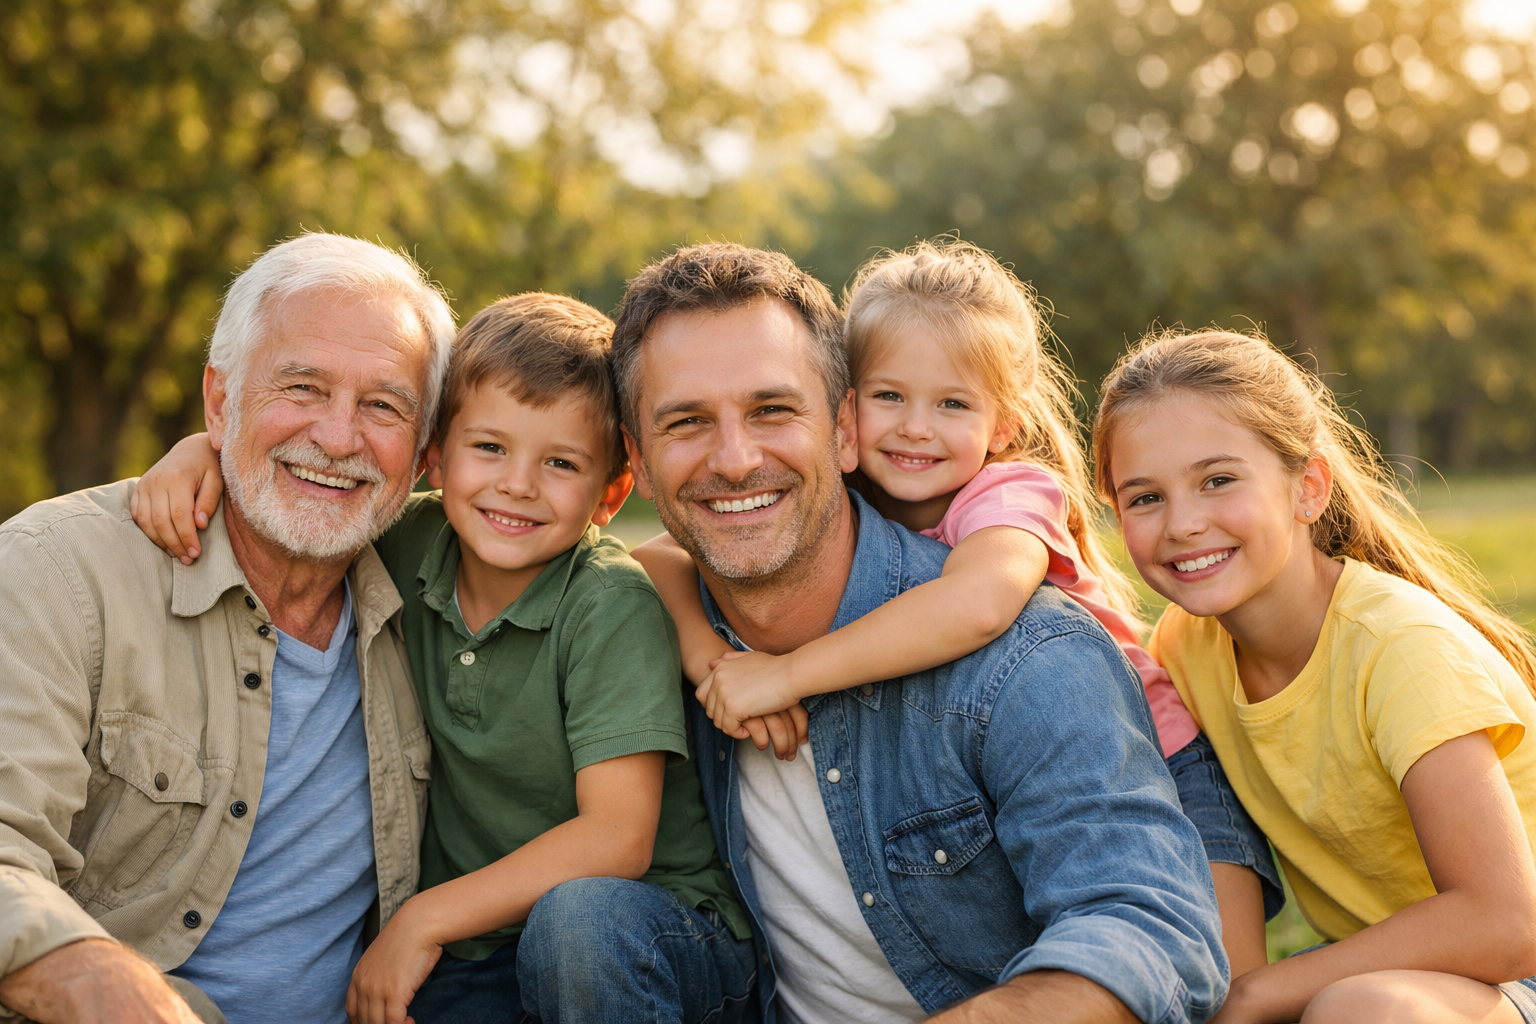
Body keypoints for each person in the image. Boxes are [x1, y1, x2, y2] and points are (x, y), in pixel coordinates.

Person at [609, 241, 1227, 1023]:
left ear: (839, 431)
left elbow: (1149, 928)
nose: (736, 460)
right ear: (636, 456)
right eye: (687, 421)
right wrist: (707, 660)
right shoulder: (637, 627)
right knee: (587, 927)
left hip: (1168, 753)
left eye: (772, 410)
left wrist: (787, 675)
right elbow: (644, 564)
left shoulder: (1022, 636)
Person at [132, 293, 792, 1024]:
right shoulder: (409, 542)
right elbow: (299, 482)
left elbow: (619, 839)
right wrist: (200, 453)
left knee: (574, 928)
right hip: (481, 944)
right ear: (434, 457)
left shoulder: (608, 607)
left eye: (561, 463)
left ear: (611, 493)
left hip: (648, 935)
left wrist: (421, 918)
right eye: (490, 448)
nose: (518, 484)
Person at [0, 232, 454, 1024]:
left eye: (383, 405)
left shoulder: (442, 589)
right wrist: (117, 995)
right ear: (219, 401)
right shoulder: (57, 572)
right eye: (302, 388)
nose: (340, 438)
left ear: (422, 454)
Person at [1093, 329, 1536, 1023]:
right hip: (1411, 978)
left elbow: (1508, 925)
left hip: (1505, 973)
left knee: (1362, 1009)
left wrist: (1261, 991)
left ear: (1307, 488)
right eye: (1144, 497)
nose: (1182, 523)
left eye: (1218, 480)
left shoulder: (1398, 648)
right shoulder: (1188, 646)